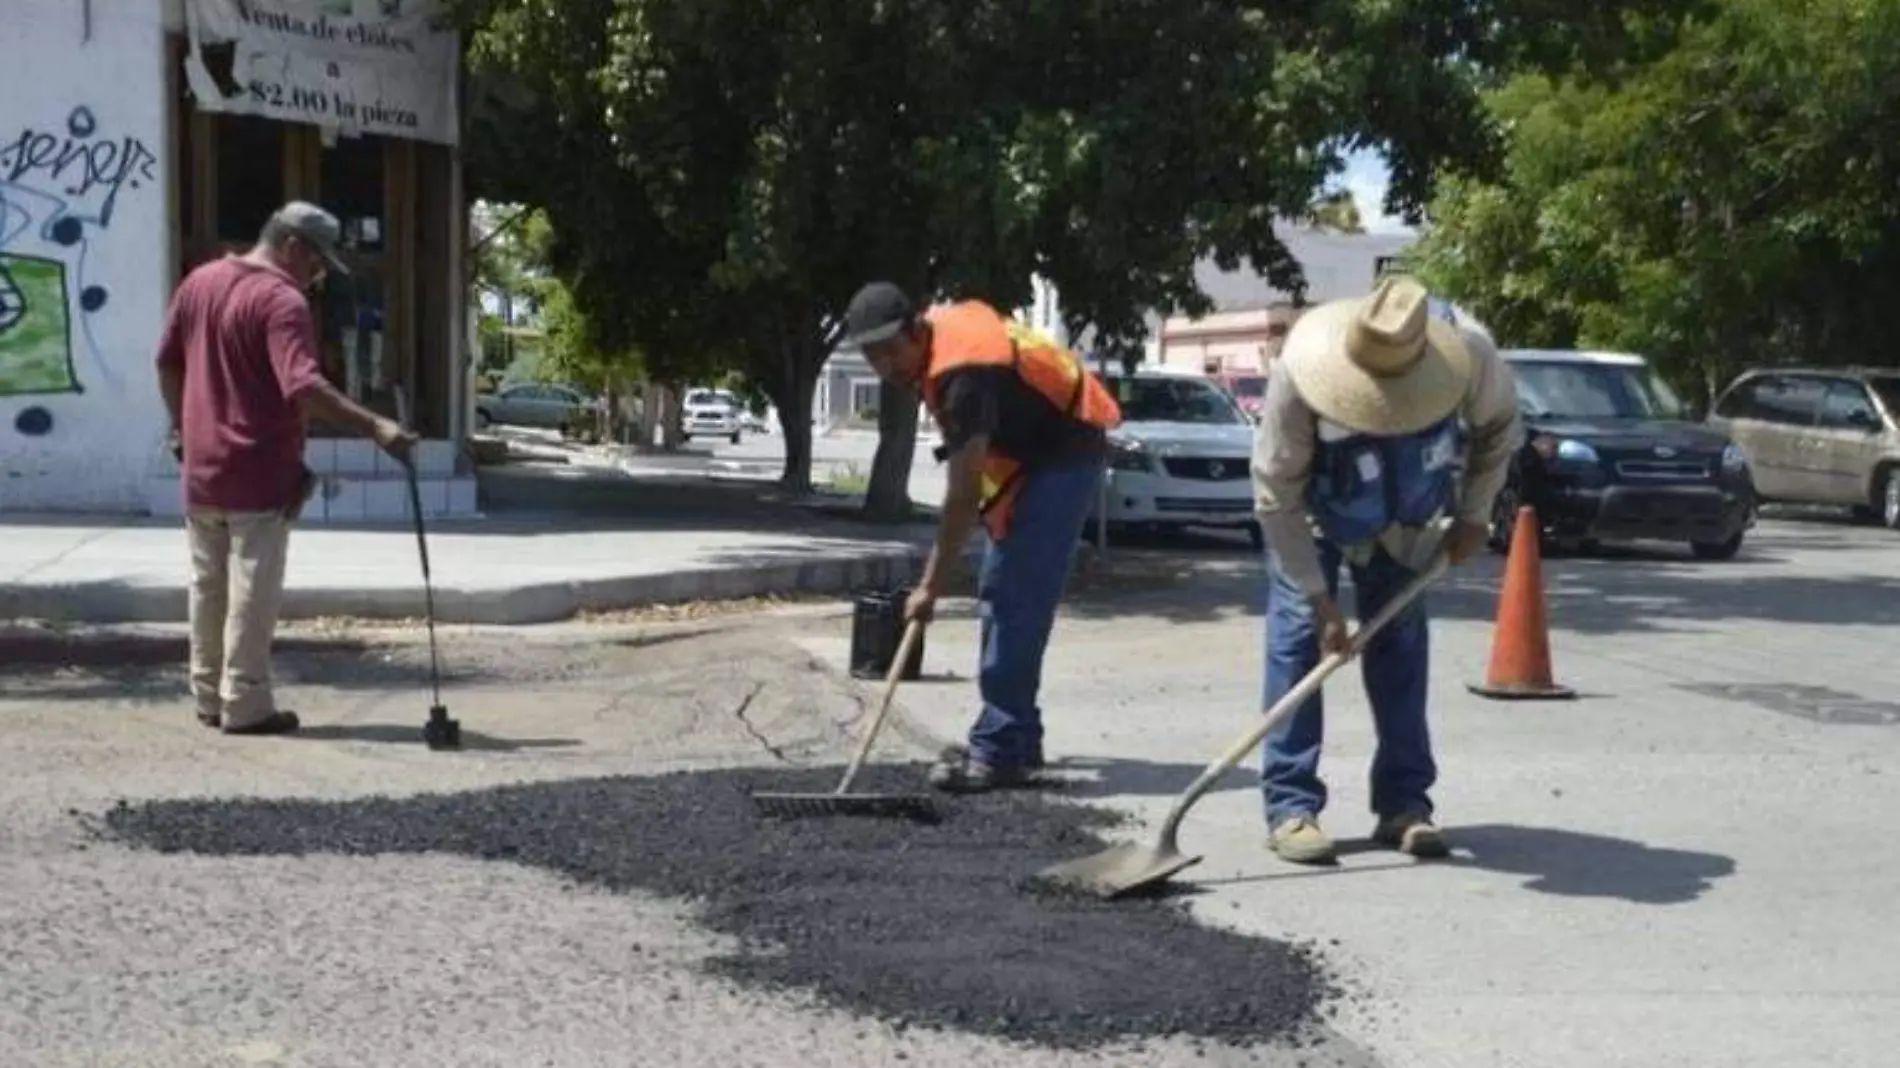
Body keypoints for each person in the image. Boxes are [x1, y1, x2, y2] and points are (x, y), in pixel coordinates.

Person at [1251, 274, 1520, 863]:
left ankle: (1404, 805)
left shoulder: (1469, 352)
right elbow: (1277, 495)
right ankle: (1292, 807)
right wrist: (1322, 602)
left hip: (1406, 517)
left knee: (1399, 644)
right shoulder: (1300, 370)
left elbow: (1500, 426)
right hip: (1316, 515)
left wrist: (1476, 514)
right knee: (1298, 641)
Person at [838, 282, 1121, 792]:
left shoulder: (963, 374)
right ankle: (1015, 738)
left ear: (916, 329)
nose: (885, 367)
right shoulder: (940, 353)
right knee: (1003, 591)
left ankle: (999, 748)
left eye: (890, 351)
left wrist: (929, 586)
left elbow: (962, 495)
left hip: (1065, 453)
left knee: (1012, 597)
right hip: (1031, 457)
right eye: (871, 356)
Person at [155, 201, 419, 736]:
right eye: (318, 261)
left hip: (202, 467)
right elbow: (302, 384)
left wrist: (182, 430)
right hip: (258, 469)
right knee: (253, 585)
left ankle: (208, 695)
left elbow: (166, 361)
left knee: (207, 584)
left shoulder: (200, 282)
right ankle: (246, 703)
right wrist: (377, 427)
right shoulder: (281, 299)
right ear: (293, 245)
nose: (319, 275)